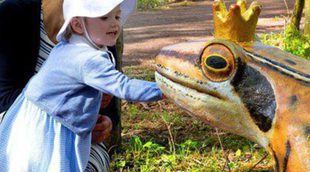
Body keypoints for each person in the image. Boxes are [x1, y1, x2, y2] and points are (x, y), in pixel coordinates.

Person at [0, 0, 163, 171]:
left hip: (38, 123)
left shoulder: (76, 42)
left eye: (117, 16)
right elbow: (125, 87)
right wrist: (163, 89)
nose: (114, 23)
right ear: (77, 24)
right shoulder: (88, 57)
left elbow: (109, 97)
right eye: (104, 17)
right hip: (48, 129)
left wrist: (105, 120)